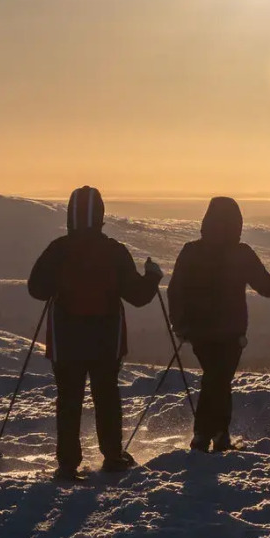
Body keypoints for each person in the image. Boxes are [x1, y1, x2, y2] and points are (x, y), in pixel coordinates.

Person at [26, 185, 162, 479]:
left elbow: (36, 289)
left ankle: (67, 464)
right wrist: (152, 277)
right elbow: (138, 296)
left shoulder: (58, 249)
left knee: (69, 399)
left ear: (70, 215)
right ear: (101, 216)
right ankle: (112, 456)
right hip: (105, 338)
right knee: (107, 396)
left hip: (66, 338)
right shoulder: (114, 251)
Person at [167, 196, 270, 452]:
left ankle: (210, 435)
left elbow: (174, 291)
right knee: (219, 379)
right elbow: (267, 287)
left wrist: (180, 325)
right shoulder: (241, 254)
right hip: (231, 333)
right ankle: (211, 436)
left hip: (198, 332)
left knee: (215, 378)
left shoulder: (191, 251)